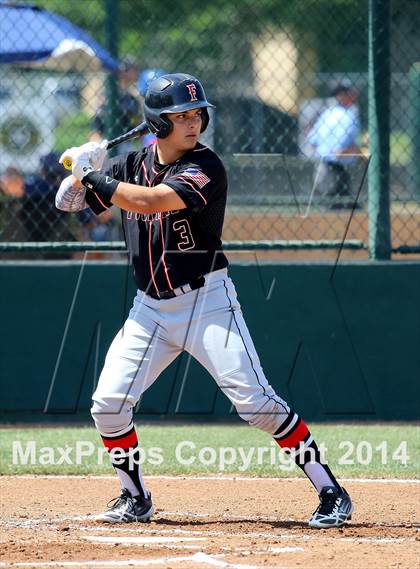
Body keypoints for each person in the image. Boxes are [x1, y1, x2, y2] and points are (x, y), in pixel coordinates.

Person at [56, 73, 353, 529]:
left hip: (206, 301)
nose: (193, 123)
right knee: (108, 405)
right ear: (158, 122)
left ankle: (331, 490)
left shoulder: (206, 166)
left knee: (256, 404)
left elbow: (151, 202)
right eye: (180, 116)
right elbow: (69, 203)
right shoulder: (129, 165)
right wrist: (85, 166)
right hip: (150, 309)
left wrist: (93, 172)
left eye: (197, 114)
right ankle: (134, 497)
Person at [306, 79, 361, 208]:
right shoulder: (350, 115)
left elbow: (312, 140)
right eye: (350, 92)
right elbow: (341, 149)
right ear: (343, 95)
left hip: (321, 167)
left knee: (327, 208)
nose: (354, 94)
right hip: (338, 170)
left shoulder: (327, 113)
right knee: (345, 209)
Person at [91, 56, 141, 152]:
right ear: (124, 72)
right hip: (105, 143)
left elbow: (137, 127)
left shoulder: (132, 99)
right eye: (133, 69)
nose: (137, 72)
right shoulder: (107, 96)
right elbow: (96, 127)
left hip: (126, 144)